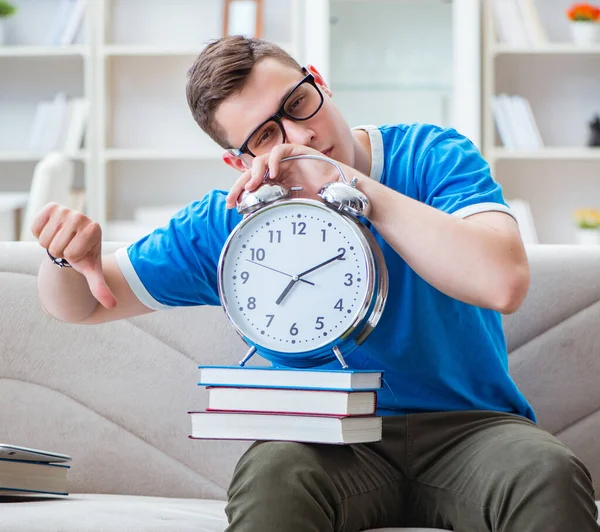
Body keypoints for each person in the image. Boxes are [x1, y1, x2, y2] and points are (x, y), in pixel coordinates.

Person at [32, 35, 598, 531]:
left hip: (471, 432)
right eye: (266, 136)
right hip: (322, 441)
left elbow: (503, 283)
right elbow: (82, 303)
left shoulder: (432, 155)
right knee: (273, 474)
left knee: (547, 473)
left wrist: (346, 183)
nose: (301, 135)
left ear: (319, 82)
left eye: (299, 103)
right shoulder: (231, 221)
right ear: (240, 164)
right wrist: (64, 257)